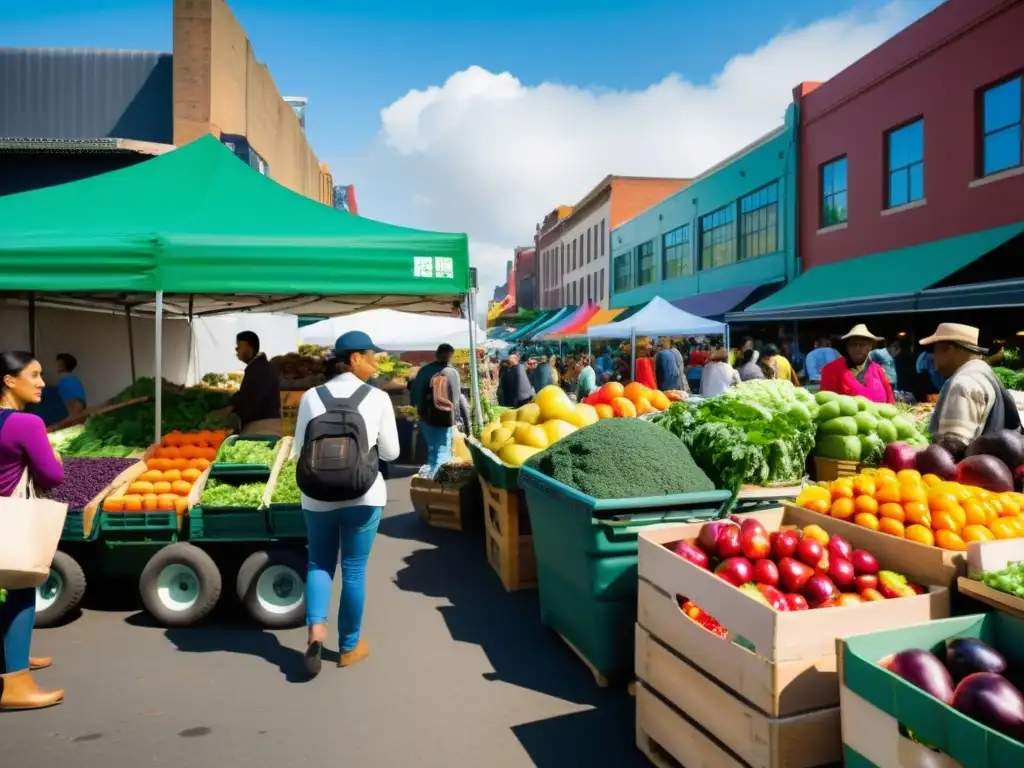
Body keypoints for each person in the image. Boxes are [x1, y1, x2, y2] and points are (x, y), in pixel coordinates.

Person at [291, 332, 399, 678]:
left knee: (319, 562)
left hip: (316, 495)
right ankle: (349, 648)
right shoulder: (378, 398)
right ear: (354, 359)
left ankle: (316, 630)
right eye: (372, 356)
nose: (376, 362)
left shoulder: (311, 396)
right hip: (363, 495)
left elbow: (298, 450)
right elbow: (391, 454)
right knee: (353, 569)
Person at [0, 351, 65, 710]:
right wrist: (55, 460)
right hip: (10, 521)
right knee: (22, 587)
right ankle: (16, 684)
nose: (42, 382)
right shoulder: (27, 424)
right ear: (10, 380)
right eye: (35, 375)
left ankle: (12, 657)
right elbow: (52, 477)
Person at [924, 323, 1021, 459]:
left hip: (969, 476)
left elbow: (951, 449)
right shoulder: (983, 372)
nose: (934, 356)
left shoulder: (962, 384)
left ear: (950, 349)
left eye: (935, 350)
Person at [415, 347, 468, 479]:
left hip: (426, 418)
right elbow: (457, 400)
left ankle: (428, 483)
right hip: (443, 418)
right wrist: (461, 421)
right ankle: (436, 484)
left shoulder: (424, 371)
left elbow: (415, 394)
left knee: (433, 452)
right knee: (443, 452)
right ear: (449, 355)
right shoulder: (450, 372)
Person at [819, 325, 895, 404]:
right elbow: (827, 403)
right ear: (847, 347)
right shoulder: (831, 369)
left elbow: (890, 400)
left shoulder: (878, 370)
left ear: (870, 347)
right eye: (853, 344)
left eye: (862, 344)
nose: (857, 348)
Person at [232, 331, 281, 436]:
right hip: (263, 425)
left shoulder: (259, 370)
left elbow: (251, 400)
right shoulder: (258, 367)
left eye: (238, 347)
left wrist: (232, 410)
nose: (236, 351)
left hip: (262, 427)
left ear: (249, 348)